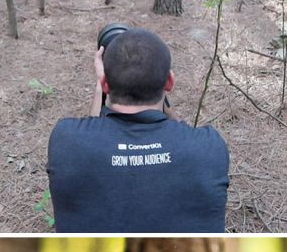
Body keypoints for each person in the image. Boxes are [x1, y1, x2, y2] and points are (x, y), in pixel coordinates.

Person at [47, 27, 229, 233]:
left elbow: (92, 133)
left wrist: (102, 85)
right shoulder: (209, 147)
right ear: (169, 82)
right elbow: (181, 132)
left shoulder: (67, 141)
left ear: (105, 84)